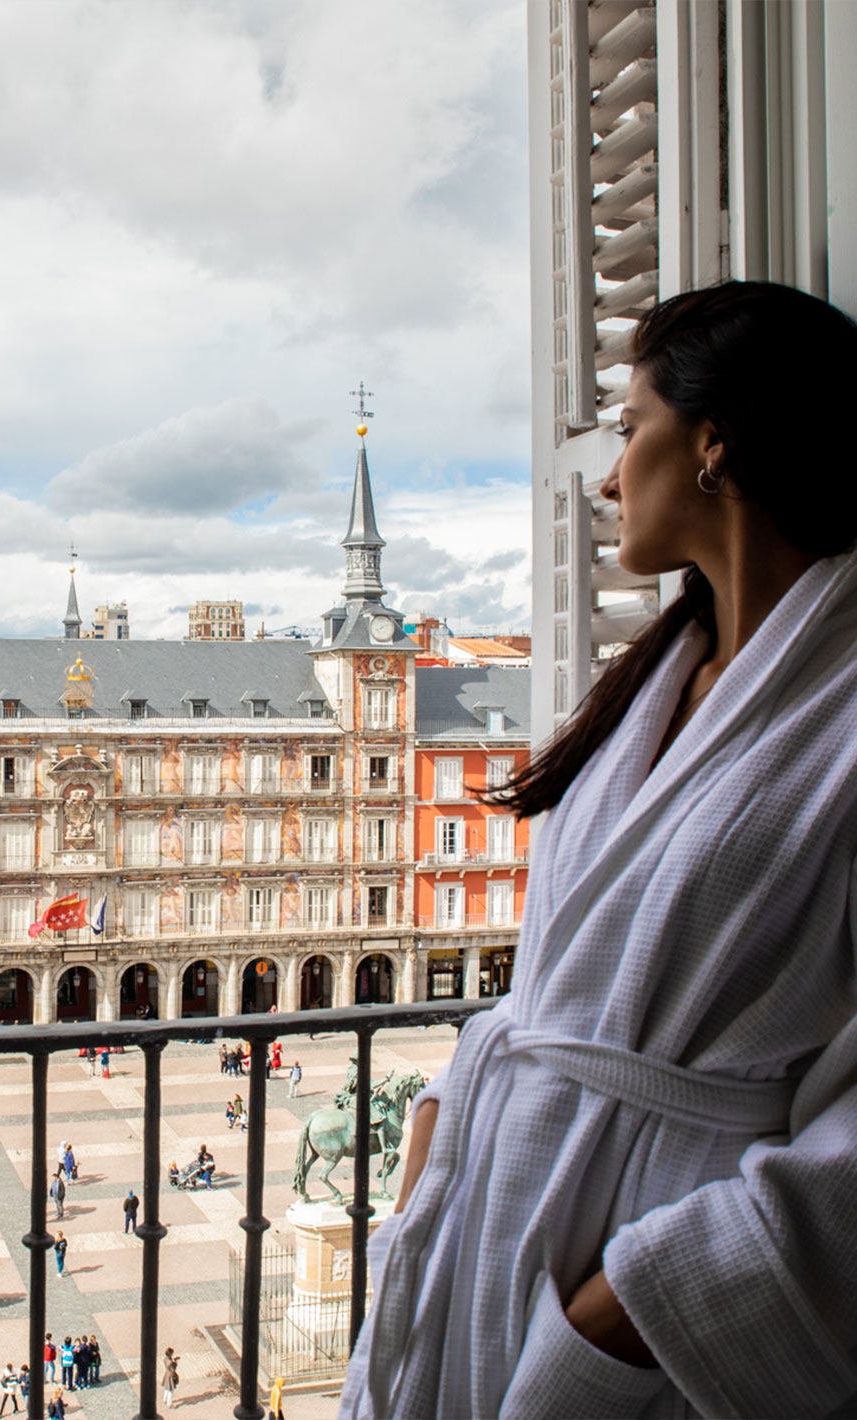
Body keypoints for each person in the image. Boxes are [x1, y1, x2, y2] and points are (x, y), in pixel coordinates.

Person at [339, 282, 857, 1420]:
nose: (611, 474)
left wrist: (634, 1303)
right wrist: (440, 1128)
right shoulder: (661, 682)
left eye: (631, 431)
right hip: (496, 1201)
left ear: (714, 444)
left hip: (649, 1277)